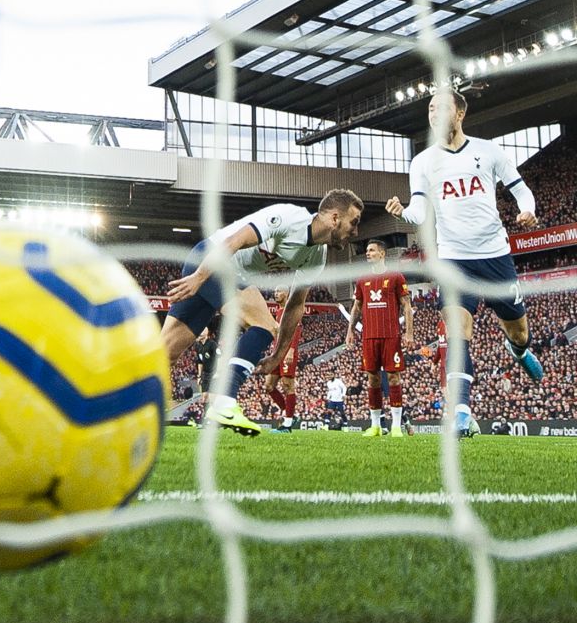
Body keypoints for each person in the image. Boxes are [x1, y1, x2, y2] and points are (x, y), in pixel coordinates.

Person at [386, 89, 543, 439]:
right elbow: (421, 210)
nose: (433, 114)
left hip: (495, 256)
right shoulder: (423, 161)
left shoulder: (488, 151)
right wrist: (404, 213)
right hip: (454, 259)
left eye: (441, 107)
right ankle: (460, 413)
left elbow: (520, 189)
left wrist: (527, 209)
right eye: (429, 109)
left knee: (519, 331)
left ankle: (517, 350)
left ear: (459, 113)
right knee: (457, 332)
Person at [161, 190, 365, 436]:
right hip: (212, 260)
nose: (356, 231)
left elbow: (296, 304)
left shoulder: (316, 257)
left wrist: (278, 355)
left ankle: (110, 402)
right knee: (265, 325)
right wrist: (199, 278)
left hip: (213, 271)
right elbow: (233, 241)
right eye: (353, 222)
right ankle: (224, 403)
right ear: (334, 218)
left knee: (164, 353)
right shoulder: (289, 218)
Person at [346, 239, 413, 437]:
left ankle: (395, 426)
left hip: (390, 335)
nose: (368, 253)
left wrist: (409, 333)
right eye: (366, 250)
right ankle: (375, 425)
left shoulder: (395, 277)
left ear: (382, 253)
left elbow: (407, 306)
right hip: (369, 336)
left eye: (372, 250)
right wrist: (350, 330)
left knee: (393, 378)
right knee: (372, 379)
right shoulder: (362, 280)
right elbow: (357, 307)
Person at [260, 290, 303, 432]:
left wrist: (291, 350)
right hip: (276, 353)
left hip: (287, 352)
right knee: (268, 386)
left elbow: (296, 329)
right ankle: (289, 413)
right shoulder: (278, 312)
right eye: (275, 291)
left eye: (279, 291)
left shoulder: (291, 309)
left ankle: (288, 425)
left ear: (286, 294)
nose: (276, 293)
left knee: (287, 385)